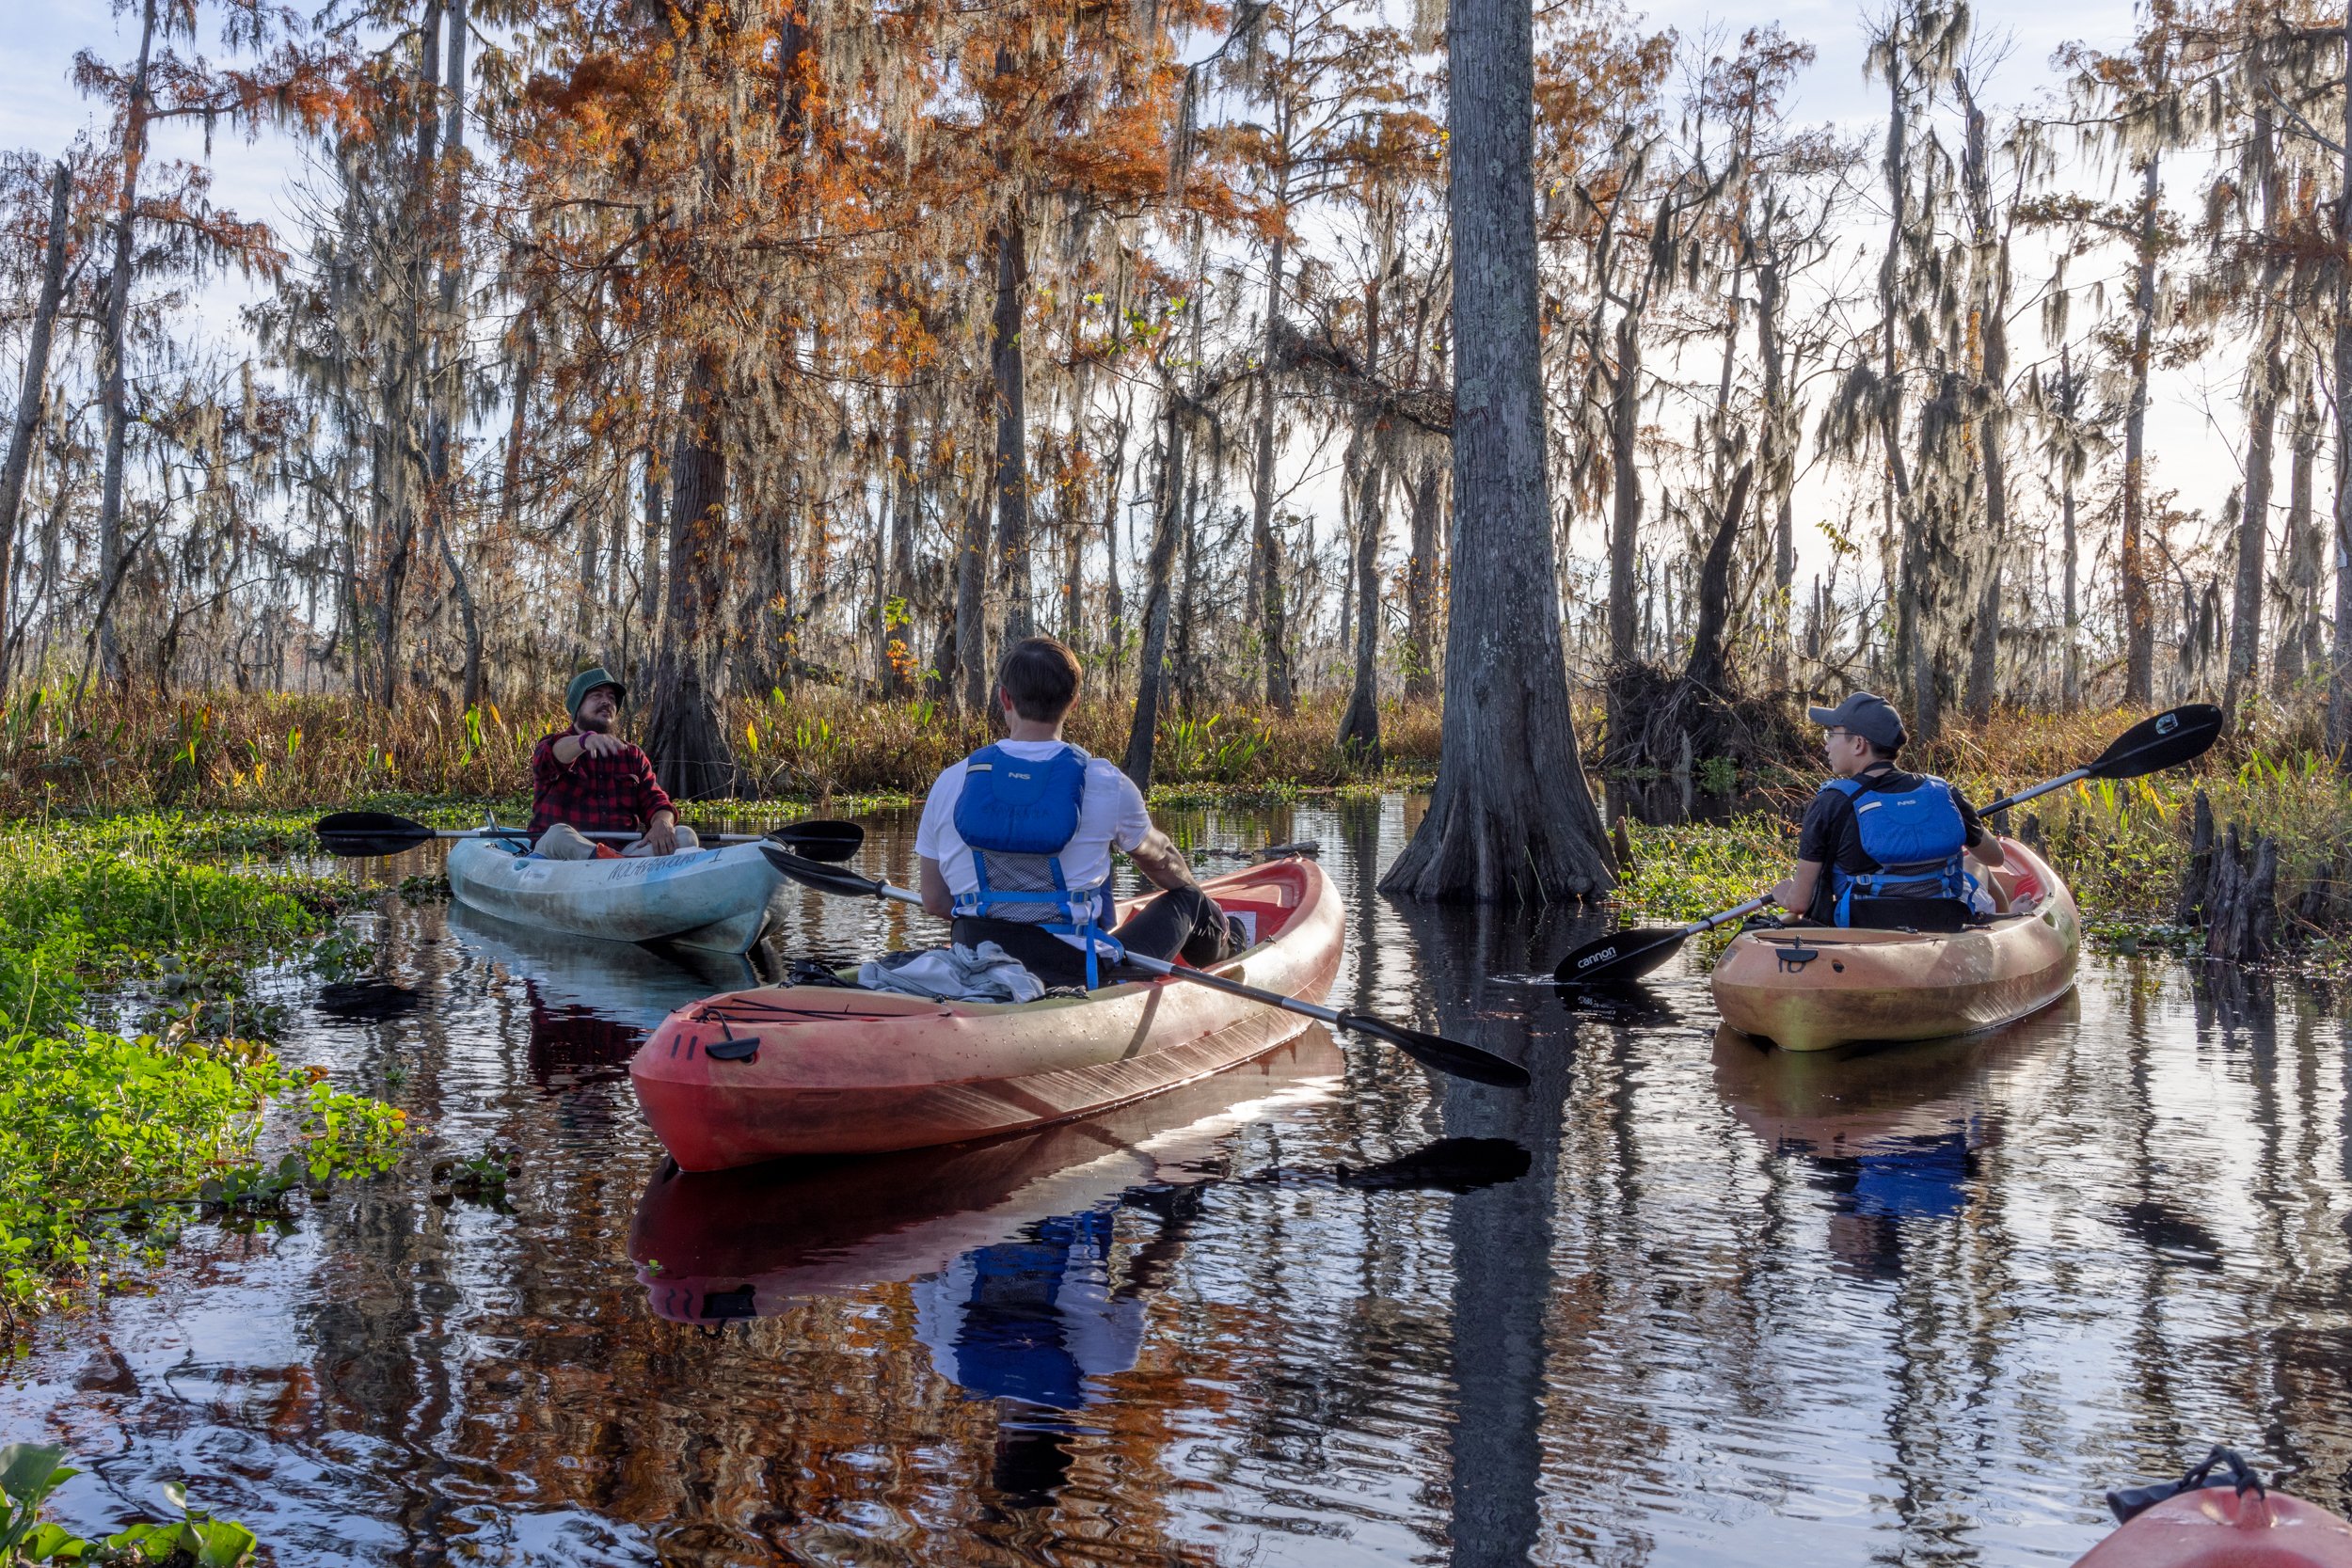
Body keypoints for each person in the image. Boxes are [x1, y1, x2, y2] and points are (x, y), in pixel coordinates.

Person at [915, 636, 1241, 989]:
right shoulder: (1104, 781)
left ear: (1005, 698)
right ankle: (1232, 943)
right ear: (1074, 703)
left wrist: (1006, 929)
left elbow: (934, 899)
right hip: (1074, 973)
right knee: (1192, 899)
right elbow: (1161, 862)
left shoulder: (951, 781)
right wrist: (1202, 899)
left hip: (975, 963)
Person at [1769, 691, 2008, 928]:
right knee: (1977, 864)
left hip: (1863, 929)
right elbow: (1995, 858)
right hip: (1942, 921)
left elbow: (1799, 903)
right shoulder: (1945, 793)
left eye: (1831, 734)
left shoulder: (1829, 803)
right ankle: (2006, 921)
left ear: (1859, 744)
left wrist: (1783, 893)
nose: (1827, 746)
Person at [527, 666, 700, 860]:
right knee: (557, 834)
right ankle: (610, 862)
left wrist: (663, 822)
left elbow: (656, 800)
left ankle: (614, 863)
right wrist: (585, 741)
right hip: (562, 853)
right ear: (577, 707)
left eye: (611, 697)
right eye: (596, 695)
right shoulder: (553, 745)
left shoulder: (632, 754)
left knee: (685, 837)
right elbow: (554, 754)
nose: (606, 701)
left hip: (620, 855)